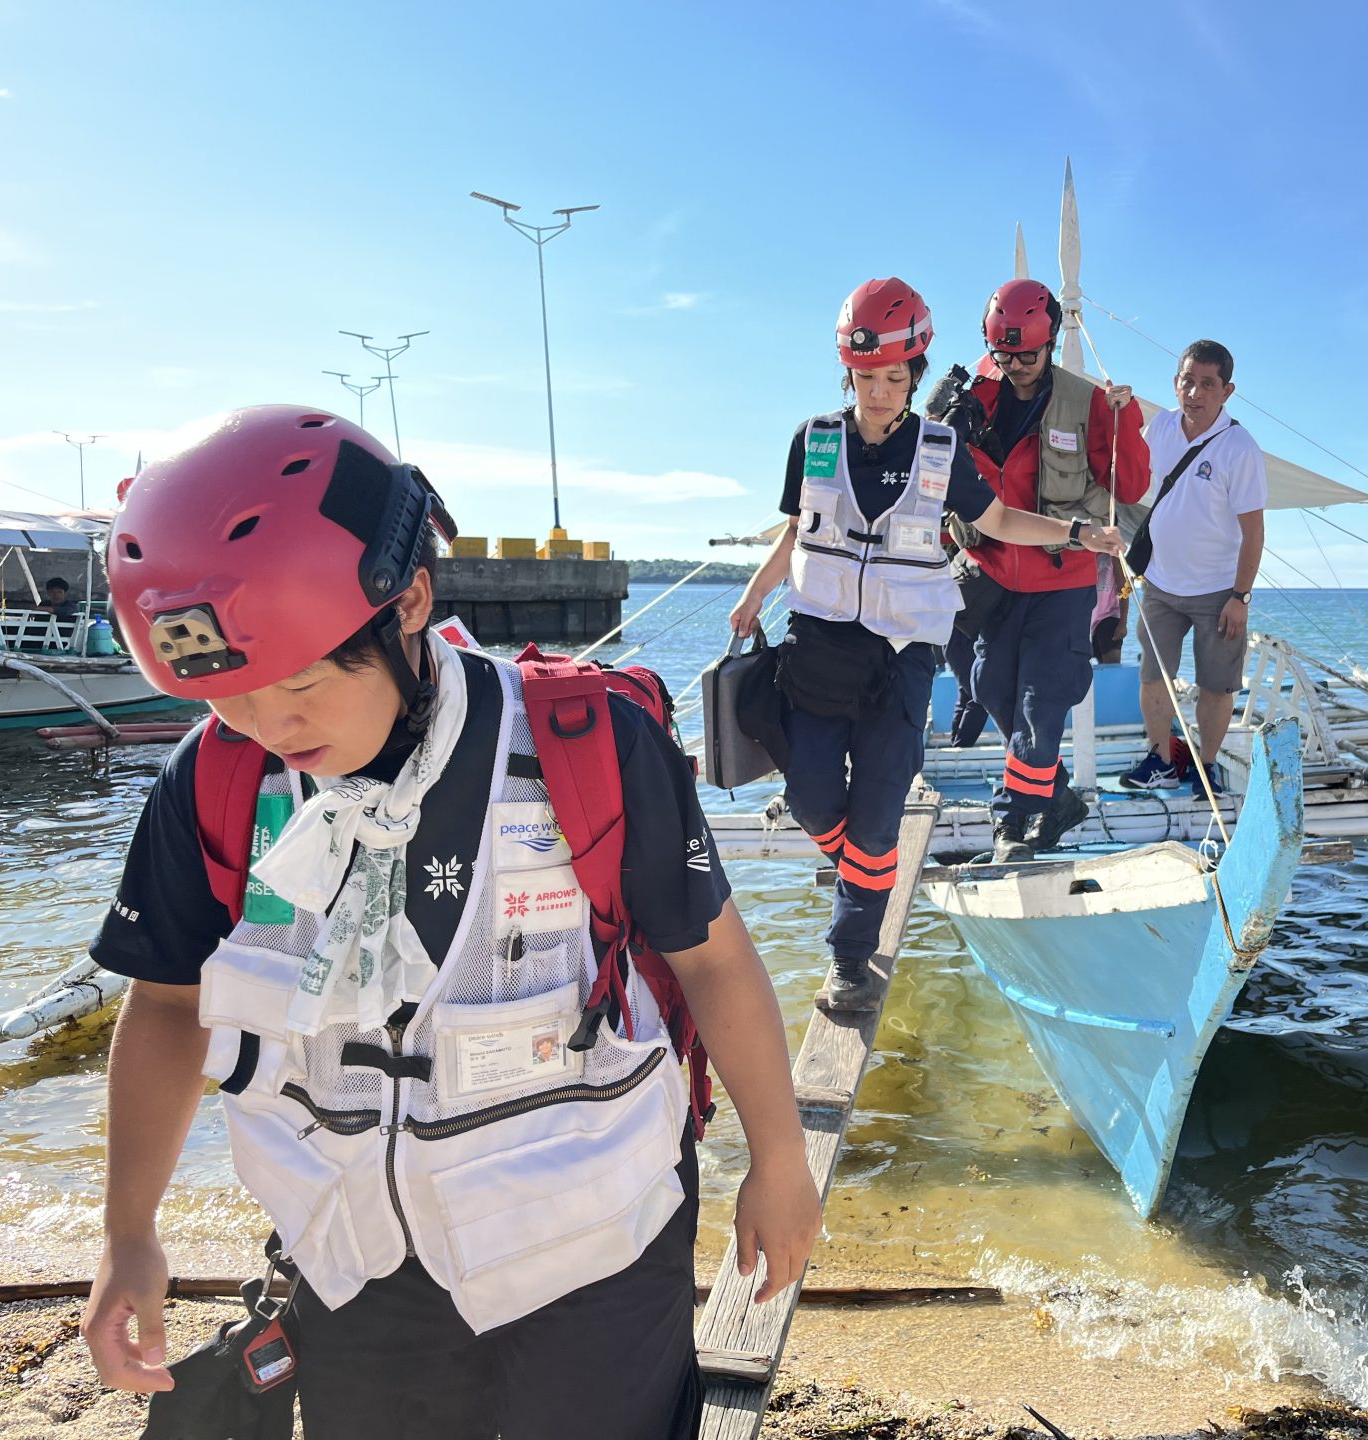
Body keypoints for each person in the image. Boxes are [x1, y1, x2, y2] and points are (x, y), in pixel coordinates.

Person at [83, 406, 821, 1440]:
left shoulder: (588, 746)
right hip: (359, 1259)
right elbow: (167, 1005)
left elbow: (715, 962)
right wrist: (128, 1232)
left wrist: (779, 1160)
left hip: (594, 1243)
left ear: (410, 604)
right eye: (232, 697)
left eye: (300, 684)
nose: (270, 728)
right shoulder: (214, 782)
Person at [729, 278, 1124, 1006]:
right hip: (817, 649)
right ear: (848, 374)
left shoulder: (941, 449)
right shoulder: (813, 440)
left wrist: (1076, 532)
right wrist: (755, 593)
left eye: (893, 378)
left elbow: (999, 520)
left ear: (914, 375)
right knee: (812, 799)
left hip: (902, 660)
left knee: (879, 816)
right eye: (865, 378)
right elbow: (795, 530)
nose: (879, 393)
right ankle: (861, 870)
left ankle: (851, 957)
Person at [939, 279, 1149, 861]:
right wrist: (936, 421)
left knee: (1040, 701)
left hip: (1062, 579)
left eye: (1026, 356)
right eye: (1002, 354)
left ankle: (1010, 823)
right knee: (991, 685)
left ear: (1050, 342)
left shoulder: (1086, 402)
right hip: (994, 576)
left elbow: (1132, 486)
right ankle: (1056, 797)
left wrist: (1125, 421)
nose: (1014, 367)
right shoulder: (973, 399)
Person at [1119, 340, 1267, 798]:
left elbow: (1254, 532)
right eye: (1188, 381)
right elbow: (1125, 471)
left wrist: (1240, 597)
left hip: (1218, 590)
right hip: (1160, 582)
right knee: (1153, 675)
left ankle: (1206, 769)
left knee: (1216, 686)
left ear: (1227, 391)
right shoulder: (1161, 426)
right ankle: (1161, 761)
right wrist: (1117, 411)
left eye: (1207, 384)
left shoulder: (1240, 448)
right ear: (1175, 382)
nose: (1195, 393)